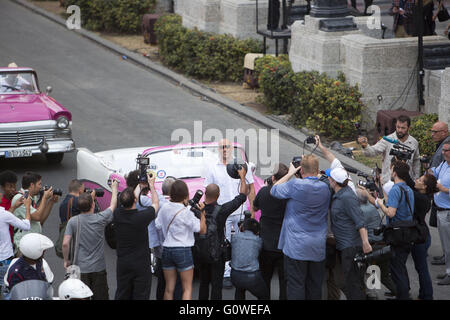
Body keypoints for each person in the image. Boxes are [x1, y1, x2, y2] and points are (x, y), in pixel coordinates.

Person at [271, 154, 331, 300]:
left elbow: (274, 190)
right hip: (317, 246)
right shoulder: (325, 188)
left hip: (296, 246)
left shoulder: (295, 185)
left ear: (301, 171)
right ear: (317, 170)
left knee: (296, 285)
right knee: (314, 286)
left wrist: (291, 173)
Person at [204, 139, 255, 289]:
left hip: (240, 210)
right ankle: (226, 273)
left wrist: (251, 210)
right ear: (218, 150)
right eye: (221, 147)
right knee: (222, 242)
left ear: (232, 149)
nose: (224, 149)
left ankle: (240, 270)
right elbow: (208, 190)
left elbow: (251, 188)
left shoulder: (241, 166)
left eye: (227, 147)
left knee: (240, 241)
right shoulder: (212, 168)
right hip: (222, 212)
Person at [62, 179, 119, 300]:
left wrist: (66, 260)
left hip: (80, 268)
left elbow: (65, 243)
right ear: (93, 204)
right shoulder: (100, 218)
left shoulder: (73, 221)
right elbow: (113, 205)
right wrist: (114, 188)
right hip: (98, 268)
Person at [197, 166, 249, 300]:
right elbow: (242, 196)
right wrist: (242, 177)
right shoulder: (222, 210)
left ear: (205, 194)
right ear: (218, 195)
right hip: (217, 253)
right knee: (216, 285)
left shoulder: (196, 210)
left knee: (203, 284)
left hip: (201, 253)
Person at [155, 180, 206, 300]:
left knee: (169, 288)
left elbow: (157, 225)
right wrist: (202, 213)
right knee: (187, 288)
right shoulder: (186, 213)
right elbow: (201, 229)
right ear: (186, 195)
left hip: (167, 250)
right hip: (183, 250)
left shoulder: (165, 208)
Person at [328, 166, 372, 300]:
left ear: (334, 182)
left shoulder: (347, 197)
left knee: (353, 284)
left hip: (350, 247)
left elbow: (359, 221)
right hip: (344, 245)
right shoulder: (340, 194)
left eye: (330, 178)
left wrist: (365, 242)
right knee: (348, 282)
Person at [113, 173, 159, 300]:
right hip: (141, 265)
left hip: (123, 263)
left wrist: (140, 185)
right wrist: (151, 186)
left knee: (122, 293)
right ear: (135, 200)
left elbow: (130, 198)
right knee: (141, 295)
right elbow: (155, 204)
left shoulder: (117, 214)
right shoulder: (142, 217)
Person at [376, 161, 415, 299]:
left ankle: (402, 295)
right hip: (408, 231)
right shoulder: (408, 189)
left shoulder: (395, 189)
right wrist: (380, 186)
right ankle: (403, 293)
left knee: (396, 268)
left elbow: (391, 213)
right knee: (401, 265)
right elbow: (395, 202)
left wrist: (381, 204)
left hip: (397, 233)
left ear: (395, 173)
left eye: (391, 170)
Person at [253, 163, 288, 300]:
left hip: (266, 243)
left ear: (273, 177)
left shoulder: (263, 192)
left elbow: (255, 208)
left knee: (265, 279)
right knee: (284, 281)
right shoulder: (287, 195)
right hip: (283, 243)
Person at [356, 188, 398, 299]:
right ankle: (400, 292)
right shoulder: (371, 207)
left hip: (372, 246)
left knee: (366, 271)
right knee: (383, 275)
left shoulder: (360, 211)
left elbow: (360, 229)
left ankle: (371, 295)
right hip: (381, 244)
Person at [357, 115, 420, 185]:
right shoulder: (388, 140)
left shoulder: (414, 142)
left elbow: (416, 161)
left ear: (409, 128)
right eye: (398, 127)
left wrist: (416, 179)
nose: (399, 130)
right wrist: (365, 146)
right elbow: (372, 152)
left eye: (403, 128)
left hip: (407, 183)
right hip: (388, 182)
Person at [11, 172, 59, 254]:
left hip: (34, 243)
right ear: (32, 185)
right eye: (39, 184)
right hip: (24, 245)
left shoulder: (33, 198)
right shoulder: (21, 198)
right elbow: (37, 216)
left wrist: (51, 201)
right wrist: (44, 198)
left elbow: (40, 220)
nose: (41, 187)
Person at [410, 174, 439, 299]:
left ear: (424, 186)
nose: (417, 180)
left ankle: (427, 295)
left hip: (421, 238)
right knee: (420, 267)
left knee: (422, 269)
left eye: (420, 180)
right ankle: (424, 294)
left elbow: (408, 186)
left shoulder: (421, 198)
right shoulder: (423, 196)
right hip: (423, 236)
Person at [0, 196, 32, 298]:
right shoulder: (3, 214)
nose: (1, 194)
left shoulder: (4, 214)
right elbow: (26, 226)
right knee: (8, 292)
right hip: (4, 260)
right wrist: (27, 207)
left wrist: (13, 207)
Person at [230, 218, 269, 300]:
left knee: (239, 290)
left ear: (242, 227)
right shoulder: (258, 240)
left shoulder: (234, 237)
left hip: (235, 275)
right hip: (252, 277)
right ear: (257, 231)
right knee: (264, 296)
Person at [429, 141, 450, 285]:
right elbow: (434, 172)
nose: (443, 153)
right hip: (440, 209)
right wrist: (429, 171)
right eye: (443, 150)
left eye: (447, 150)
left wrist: (443, 189)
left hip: (448, 212)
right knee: (445, 244)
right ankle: (448, 270)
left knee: (449, 245)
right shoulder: (444, 164)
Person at [0, 170, 18, 248]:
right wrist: (13, 207)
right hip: (5, 245)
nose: (13, 189)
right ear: (2, 187)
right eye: (10, 186)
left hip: (18, 241)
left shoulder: (19, 198)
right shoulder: (1, 203)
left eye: (14, 186)